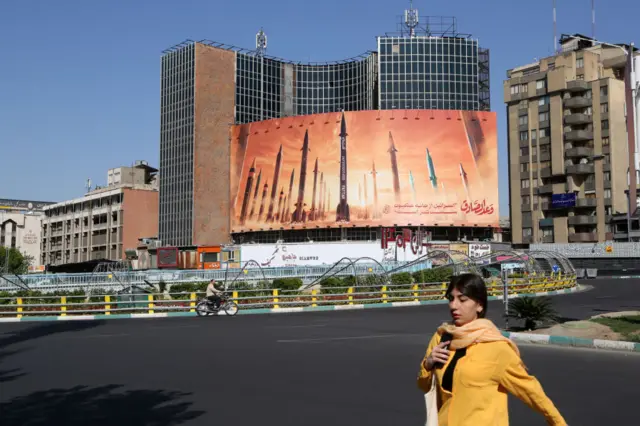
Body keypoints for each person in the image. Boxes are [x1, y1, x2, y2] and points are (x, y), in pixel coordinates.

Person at [417, 273, 567, 426]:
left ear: (479, 305)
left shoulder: (497, 347)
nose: (454, 305)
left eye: (462, 299)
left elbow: (531, 392)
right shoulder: (442, 337)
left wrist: (558, 422)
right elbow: (426, 387)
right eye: (451, 299)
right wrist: (428, 364)